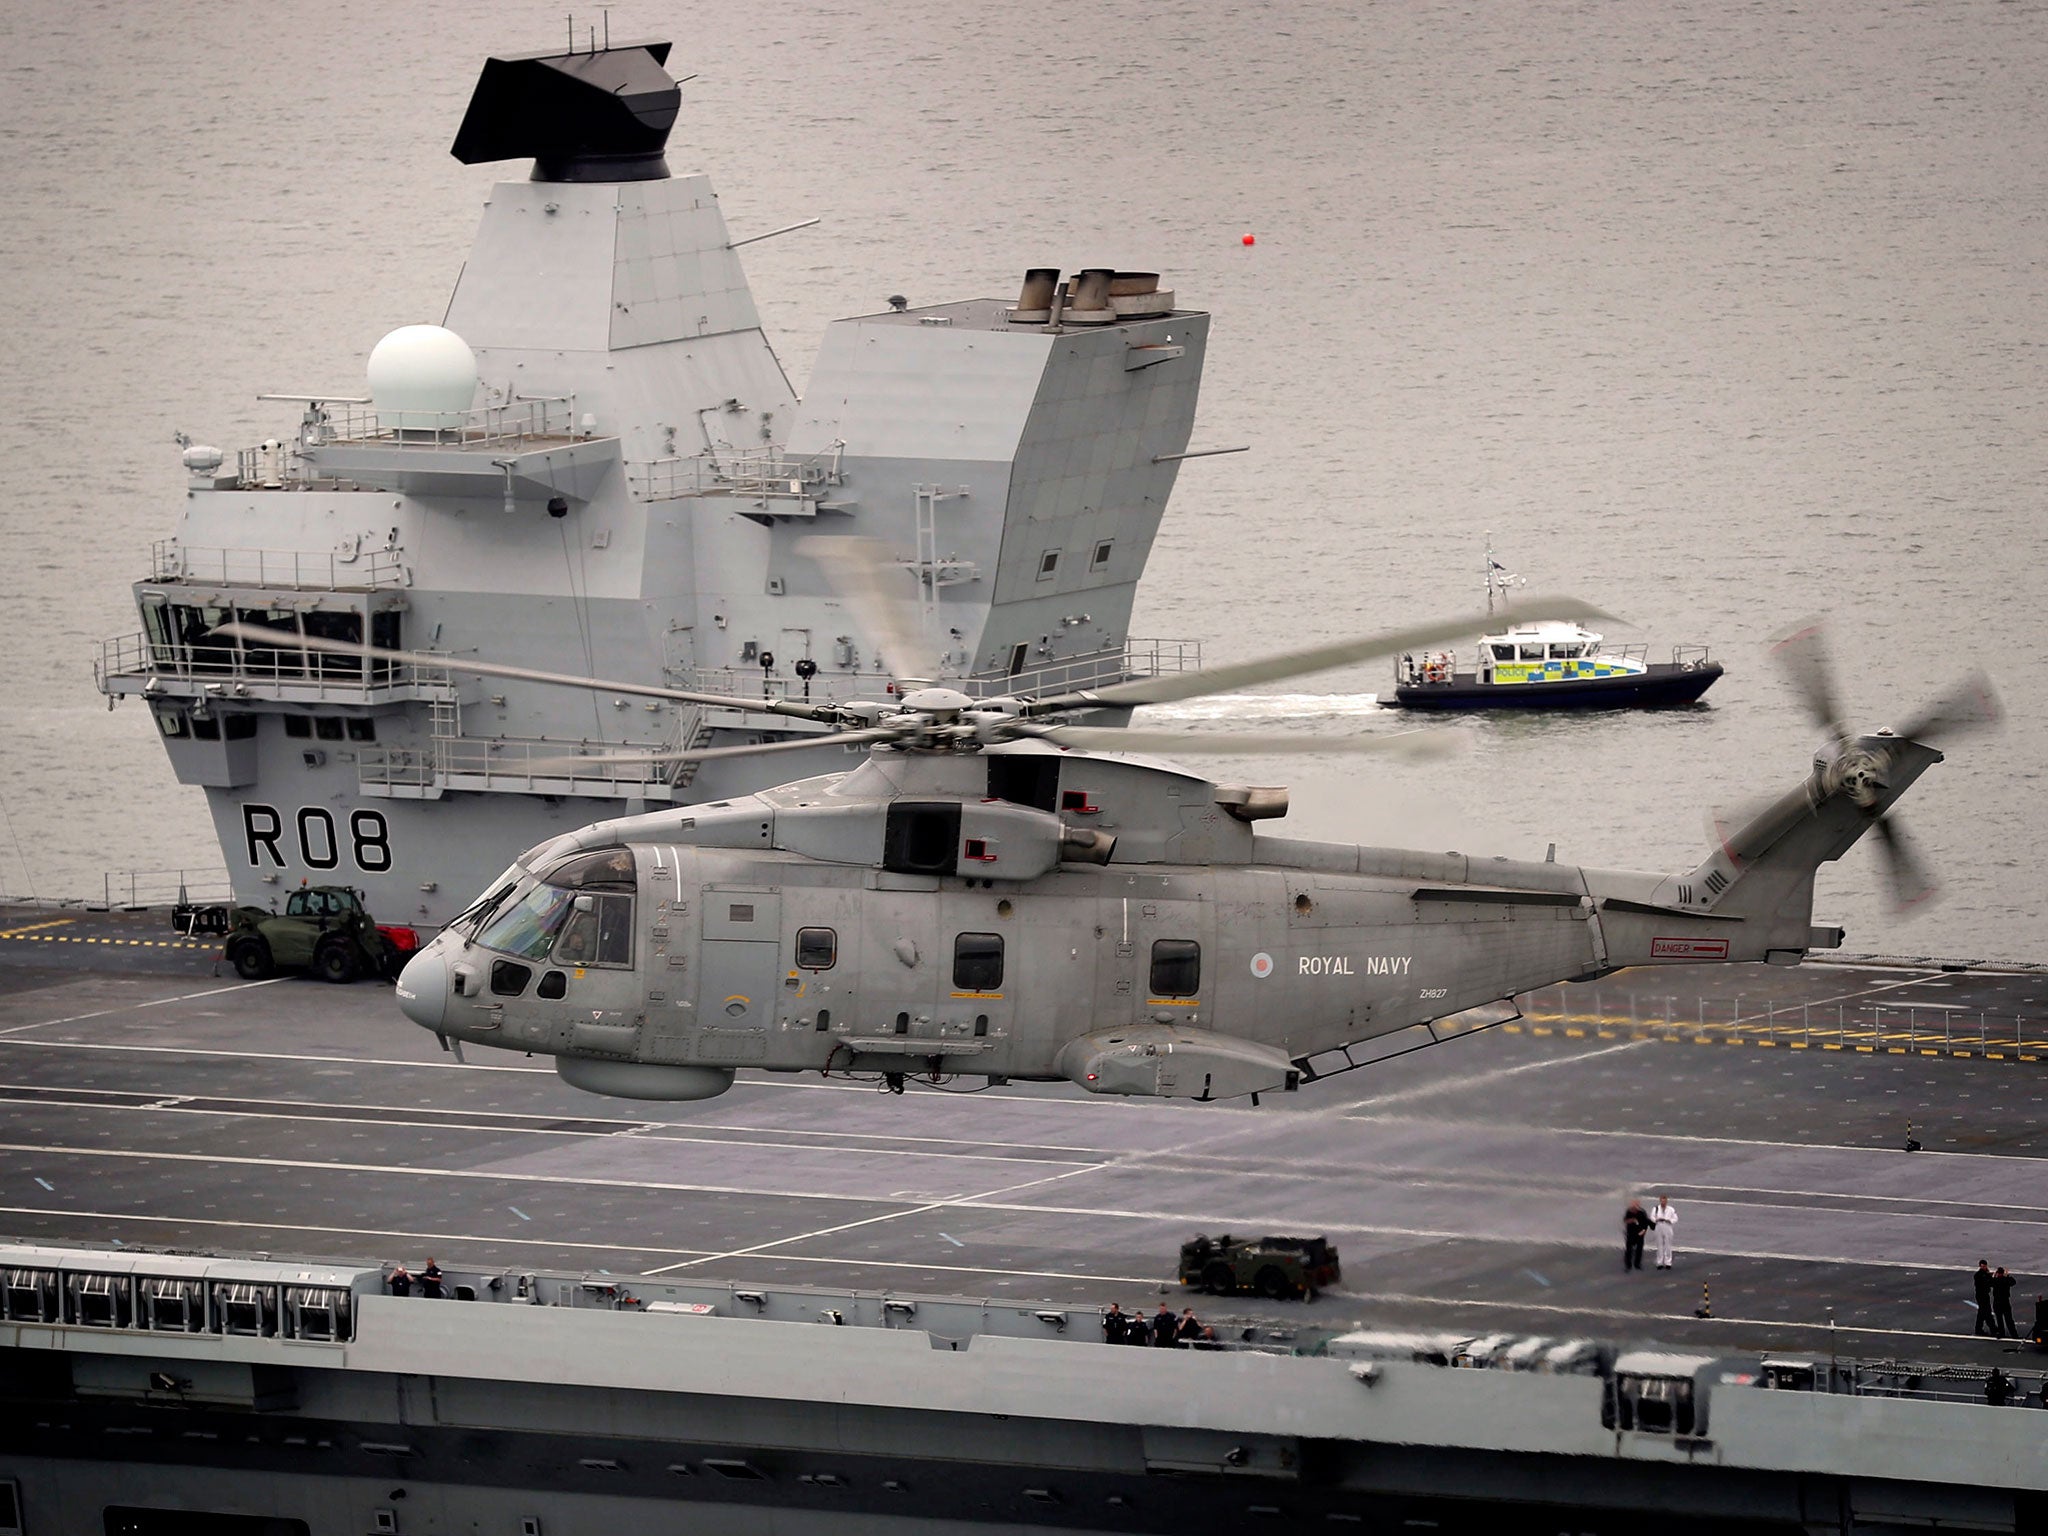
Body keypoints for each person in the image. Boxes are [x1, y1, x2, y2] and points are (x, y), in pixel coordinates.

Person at [1650, 1195, 1678, 1270]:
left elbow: (1675, 1218)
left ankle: (1668, 1262)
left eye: (1664, 1201)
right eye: (1662, 1201)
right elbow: (1652, 1217)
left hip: (1667, 1226)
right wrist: (1656, 1219)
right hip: (1659, 1226)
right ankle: (1660, 1262)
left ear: (1666, 1201)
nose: (1663, 1202)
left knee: (1668, 1244)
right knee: (1659, 1245)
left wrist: (1670, 1220)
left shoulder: (1671, 1209)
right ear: (1660, 1201)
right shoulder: (1655, 1208)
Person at [1623, 1201, 1650, 1272]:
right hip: (1630, 1234)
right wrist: (1632, 1220)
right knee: (1629, 1250)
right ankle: (1628, 1266)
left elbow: (1646, 1223)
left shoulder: (1642, 1212)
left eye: (1635, 1207)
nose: (1633, 1209)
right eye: (1633, 1207)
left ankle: (1637, 1264)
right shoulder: (1629, 1211)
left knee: (1639, 1250)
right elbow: (1625, 1221)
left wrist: (1643, 1231)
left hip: (1639, 1234)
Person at [1993, 1266, 2019, 1339]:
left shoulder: (1995, 1280)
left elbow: (1990, 1283)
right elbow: (2013, 1282)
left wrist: (1994, 1276)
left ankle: (2001, 1333)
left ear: (1998, 1273)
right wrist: (2007, 1276)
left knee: (1999, 1319)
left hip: (1997, 1302)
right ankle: (2014, 1334)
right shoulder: (2006, 1280)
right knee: (2009, 1319)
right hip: (2005, 1302)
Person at [1974, 1259, 1997, 1337]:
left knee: (1982, 1312)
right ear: (1980, 1266)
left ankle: (1979, 1329)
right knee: (1986, 1312)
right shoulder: (1978, 1275)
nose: (1984, 1267)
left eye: (1984, 1266)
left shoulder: (1985, 1274)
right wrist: (1989, 1276)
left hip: (1984, 1295)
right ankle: (1992, 1328)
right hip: (1981, 1295)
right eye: (1982, 1266)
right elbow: (1985, 1283)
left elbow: (1991, 1283)